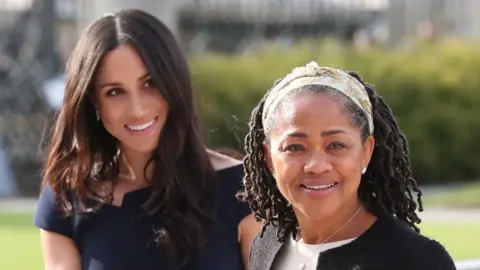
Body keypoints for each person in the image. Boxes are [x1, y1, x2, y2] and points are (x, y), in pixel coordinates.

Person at [34, 9, 260, 270]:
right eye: (115, 92)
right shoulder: (70, 195)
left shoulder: (245, 190)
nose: (137, 109)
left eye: (150, 83)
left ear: (174, 83)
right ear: (94, 102)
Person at [238, 61, 456, 270]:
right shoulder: (265, 246)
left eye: (336, 145)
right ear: (269, 158)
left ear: (366, 152)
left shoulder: (415, 260)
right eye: (295, 147)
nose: (316, 166)